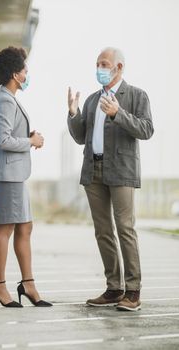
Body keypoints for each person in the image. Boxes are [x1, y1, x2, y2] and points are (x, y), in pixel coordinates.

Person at [67, 47, 154, 311]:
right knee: (103, 231)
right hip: (93, 170)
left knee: (125, 228)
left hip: (122, 170)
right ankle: (114, 288)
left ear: (119, 68)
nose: (99, 69)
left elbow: (147, 129)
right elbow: (81, 136)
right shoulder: (92, 100)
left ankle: (133, 291)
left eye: (104, 64)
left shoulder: (136, 95)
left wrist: (119, 113)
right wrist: (73, 114)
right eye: (97, 64)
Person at [0, 46, 52, 308]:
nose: (27, 73)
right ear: (16, 74)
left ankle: (28, 284)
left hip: (15, 174)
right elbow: (2, 140)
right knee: (6, 227)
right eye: (25, 70)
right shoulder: (4, 99)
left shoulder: (9, 99)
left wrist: (27, 136)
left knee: (25, 227)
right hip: (7, 175)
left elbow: (9, 134)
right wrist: (30, 140)